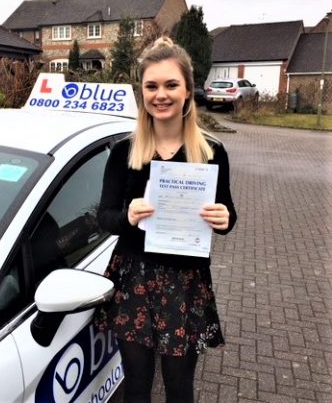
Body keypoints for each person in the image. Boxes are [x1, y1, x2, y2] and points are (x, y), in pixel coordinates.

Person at [94, 36, 237, 403]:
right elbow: (104, 218)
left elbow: (227, 212)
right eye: (151, 86)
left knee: (179, 387)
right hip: (134, 279)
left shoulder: (211, 153)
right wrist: (127, 216)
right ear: (142, 92)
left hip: (184, 282)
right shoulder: (124, 152)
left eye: (171, 84)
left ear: (188, 90)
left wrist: (224, 218)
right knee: (137, 386)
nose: (161, 94)